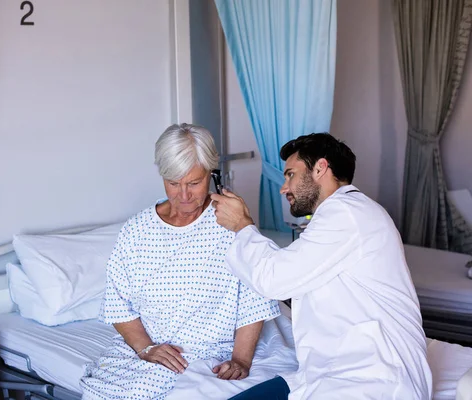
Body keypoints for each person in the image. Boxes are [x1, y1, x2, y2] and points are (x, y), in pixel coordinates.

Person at [211, 133, 433, 399]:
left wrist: (242, 226)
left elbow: (273, 279)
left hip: (375, 377)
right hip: (332, 370)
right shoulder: (340, 216)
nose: (283, 188)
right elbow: (293, 273)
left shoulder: (347, 213)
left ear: (320, 168)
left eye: (290, 174)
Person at [80, 123, 281, 400]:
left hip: (208, 351)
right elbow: (118, 303)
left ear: (211, 174)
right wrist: (146, 348)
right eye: (173, 183)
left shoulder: (231, 223)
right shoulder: (136, 231)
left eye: (194, 183)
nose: (184, 196)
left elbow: (253, 299)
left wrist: (241, 360)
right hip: (147, 349)